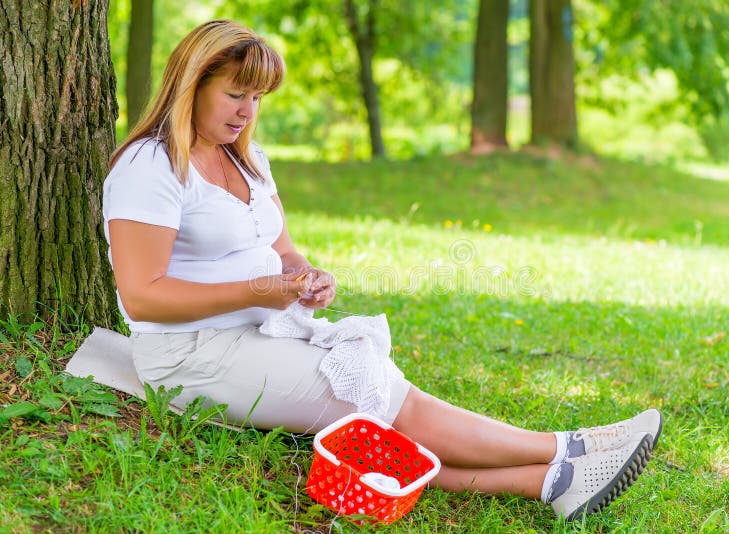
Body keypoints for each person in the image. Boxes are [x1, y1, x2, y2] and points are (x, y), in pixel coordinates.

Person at [103, 19, 663, 522]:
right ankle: (570, 448)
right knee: (386, 401)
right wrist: (257, 290)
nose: (247, 111)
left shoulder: (244, 159)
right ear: (191, 86)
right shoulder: (150, 166)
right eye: (234, 94)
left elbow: (285, 251)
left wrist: (305, 277)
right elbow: (143, 298)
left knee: (378, 411)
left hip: (259, 332)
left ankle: (552, 479)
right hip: (190, 355)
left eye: (257, 98)